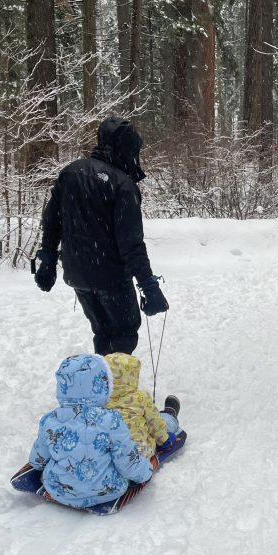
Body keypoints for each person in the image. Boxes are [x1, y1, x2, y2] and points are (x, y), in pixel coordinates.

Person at [33, 116, 168, 355]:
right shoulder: (123, 186)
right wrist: (149, 286)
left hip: (78, 275)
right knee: (123, 334)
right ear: (124, 149)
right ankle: (116, 388)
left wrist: (48, 259)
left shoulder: (71, 172)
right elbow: (132, 244)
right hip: (112, 278)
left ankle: (101, 385)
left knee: (103, 332)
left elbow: (51, 222)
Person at [28, 353, 155, 510]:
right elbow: (128, 464)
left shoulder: (50, 420)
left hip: (59, 491)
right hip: (107, 491)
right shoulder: (111, 420)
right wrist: (147, 471)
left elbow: (37, 461)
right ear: (103, 385)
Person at [103, 352, 181, 460]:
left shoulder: (100, 400)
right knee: (162, 421)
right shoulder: (141, 397)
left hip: (111, 454)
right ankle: (170, 414)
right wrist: (165, 441)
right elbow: (155, 424)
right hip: (140, 452)